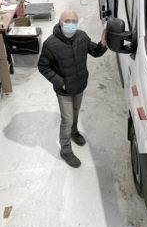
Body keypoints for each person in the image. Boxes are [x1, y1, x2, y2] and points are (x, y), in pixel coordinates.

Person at [38, 10, 107, 168]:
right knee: (67, 119)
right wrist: (60, 82)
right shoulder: (50, 44)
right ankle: (66, 149)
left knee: (76, 113)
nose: (71, 24)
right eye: (67, 20)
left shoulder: (82, 37)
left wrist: (103, 43)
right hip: (64, 90)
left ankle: (74, 132)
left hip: (80, 85)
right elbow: (42, 66)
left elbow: (95, 52)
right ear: (60, 22)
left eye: (74, 21)